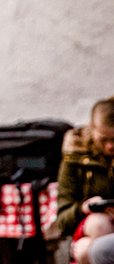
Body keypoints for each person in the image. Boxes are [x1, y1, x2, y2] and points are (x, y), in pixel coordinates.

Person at [55, 97, 114, 264]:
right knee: (98, 223)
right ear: (91, 128)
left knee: (84, 250)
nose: (110, 146)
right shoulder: (75, 156)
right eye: (104, 139)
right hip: (93, 229)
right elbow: (62, 221)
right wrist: (84, 208)